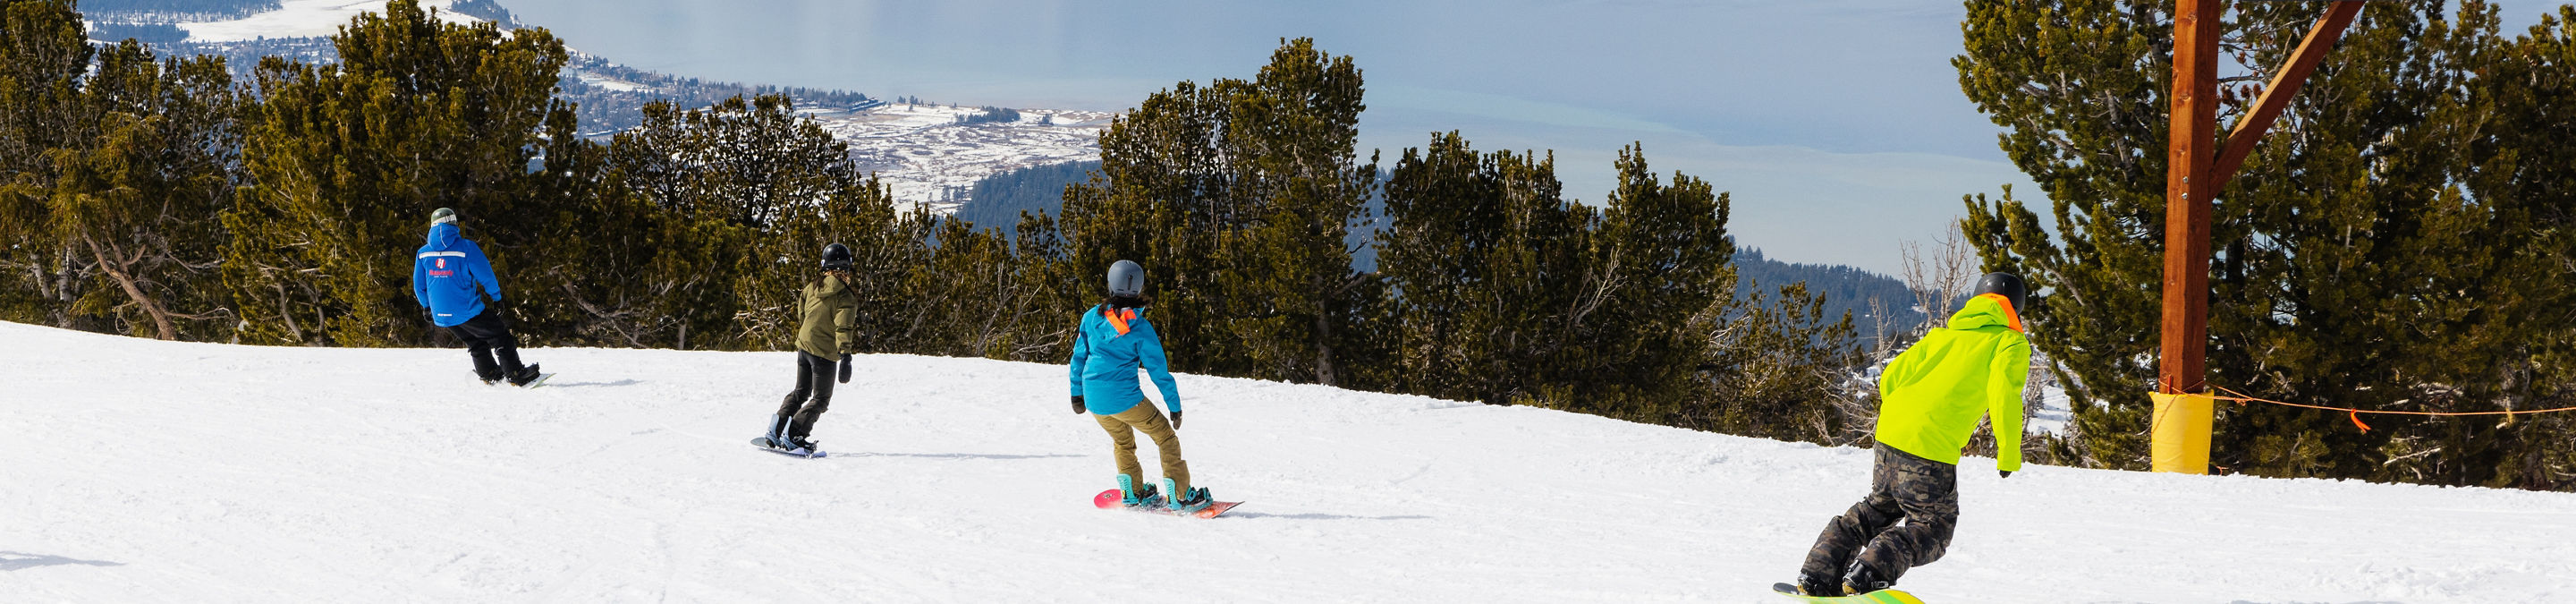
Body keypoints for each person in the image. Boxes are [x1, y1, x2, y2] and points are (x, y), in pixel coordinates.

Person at [1795, 272, 2033, 596]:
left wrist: (1900, 417)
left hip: (1890, 434)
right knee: (1933, 528)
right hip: (1929, 448)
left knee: (1877, 509)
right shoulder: (2008, 342)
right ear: (2015, 310)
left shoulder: (1941, 336)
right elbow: (2005, 394)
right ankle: (1868, 574)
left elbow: (1891, 376)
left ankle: (1817, 574)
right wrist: (2008, 454)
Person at [1069, 259, 1209, 511]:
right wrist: (1174, 406)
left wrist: (1076, 395)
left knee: (1123, 441)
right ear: (1139, 287)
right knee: (1165, 436)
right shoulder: (1140, 327)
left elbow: (1079, 357)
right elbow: (1159, 371)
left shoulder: (1091, 318)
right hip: (1124, 398)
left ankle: (1132, 493)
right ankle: (1181, 495)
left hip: (1094, 400)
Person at [412, 208, 543, 387]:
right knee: (500, 336)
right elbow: (486, 275)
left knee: (475, 340)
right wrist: (497, 298)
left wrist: (427, 306)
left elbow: (419, 286)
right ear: (454, 224)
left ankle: (488, 373)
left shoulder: (423, 252)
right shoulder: (466, 248)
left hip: (441, 314)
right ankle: (516, 374)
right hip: (465, 309)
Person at [760, 242, 860, 456]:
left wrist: (808, 334)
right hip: (823, 353)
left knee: (801, 392)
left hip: (804, 347)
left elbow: (801, 312)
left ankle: (776, 430)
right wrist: (846, 356)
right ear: (846, 267)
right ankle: (795, 434)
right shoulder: (845, 295)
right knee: (821, 398)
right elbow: (843, 326)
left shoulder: (813, 286)